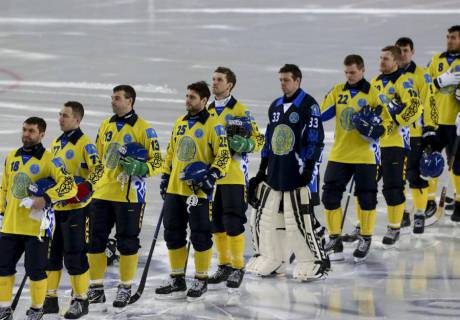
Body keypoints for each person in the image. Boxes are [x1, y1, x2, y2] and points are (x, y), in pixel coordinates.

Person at [247, 64, 329, 281]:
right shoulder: (275, 106)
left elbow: (315, 139)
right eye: (280, 80)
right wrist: (262, 170)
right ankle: (275, 258)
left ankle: (314, 260)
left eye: (286, 80)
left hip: (298, 172)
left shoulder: (309, 106)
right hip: (276, 171)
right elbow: (269, 140)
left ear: (298, 80)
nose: (283, 84)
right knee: (271, 217)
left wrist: (309, 169)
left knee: (298, 219)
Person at [87, 85, 163, 309]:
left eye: (117, 98)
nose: (113, 101)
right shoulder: (105, 125)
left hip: (129, 196)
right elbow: (98, 158)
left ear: (130, 101)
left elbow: (158, 161)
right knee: (95, 241)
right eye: (112, 98)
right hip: (102, 193)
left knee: (127, 242)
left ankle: (125, 286)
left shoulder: (145, 129)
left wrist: (141, 168)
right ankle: (96, 287)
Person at [155, 81, 231, 300]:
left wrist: (213, 175)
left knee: (200, 234)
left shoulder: (214, 125)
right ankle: (177, 278)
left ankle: (201, 278)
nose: (187, 101)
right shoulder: (180, 122)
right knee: (173, 233)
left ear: (204, 100)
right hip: (175, 190)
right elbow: (171, 151)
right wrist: (165, 176)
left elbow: (223, 155)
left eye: (192, 97)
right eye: (187, 96)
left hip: (198, 191)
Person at [0, 117, 77, 320]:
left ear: (42, 134)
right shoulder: (11, 157)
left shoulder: (51, 160)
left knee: (36, 271)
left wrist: (47, 198)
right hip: (10, 225)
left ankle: (36, 309)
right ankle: (4, 308)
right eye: (24, 129)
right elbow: (4, 188)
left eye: (31, 131)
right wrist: (1, 213)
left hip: (37, 227)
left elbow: (70, 186)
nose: (26, 134)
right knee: (3, 268)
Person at [321, 54, 389, 263]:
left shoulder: (374, 94)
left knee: (366, 197)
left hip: (365, 155)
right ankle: (335, 239)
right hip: (340, 153)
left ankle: (366, 237)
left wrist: (377, 128)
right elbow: (322, 114)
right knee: (329, 196)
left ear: (362, 70)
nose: (349, 76)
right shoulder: (337, 90)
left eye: (353, 72)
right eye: (346, 73)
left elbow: (387, 123)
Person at [42, 102, 104, 319]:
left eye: (65, 116)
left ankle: (81, 300)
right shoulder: (56, 143)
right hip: (56, 207)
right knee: (52, 254)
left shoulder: (86, 144)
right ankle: (50, 299)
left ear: (77, 120)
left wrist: (86, 187)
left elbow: (99, 170)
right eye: (59, 114)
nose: (60, 119)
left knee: (75, 255)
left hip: (78, 209)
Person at [206, 67, 264, 290]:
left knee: (232, 220)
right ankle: (224, 265)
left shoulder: (240, 110)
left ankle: (238, 266)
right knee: (215, 223)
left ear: (229, 85)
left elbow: (259, 140)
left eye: (219, 80)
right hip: (212, 177)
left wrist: (247, 144)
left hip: (234, 175)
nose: (214, 83)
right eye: (213, 79)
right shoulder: (207, 110)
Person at [371, 45, 422, 247]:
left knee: (393, 188)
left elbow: (416, 106)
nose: (381, 62)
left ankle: (394, 227)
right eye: (380, 58)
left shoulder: (404, 82)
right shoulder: (374, 82)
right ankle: (361, 227)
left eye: (385, 58)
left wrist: (399, 120)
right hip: (373, 144)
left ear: (396, 61)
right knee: (366, 186)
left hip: (395, 143)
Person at [395, 37, 438, 233]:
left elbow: (429, 103)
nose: (402, 54)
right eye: (399, 50)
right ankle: (402, 213)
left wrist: (429, 129)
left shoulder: (422, 76)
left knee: (415, 175)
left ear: (412, 52)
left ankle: (419, 214)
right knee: (397, 176)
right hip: (394, 135)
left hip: (414, 134)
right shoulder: (390, 76)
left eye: (405, 50)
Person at [426, 25, 460, 222]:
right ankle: (430, 201)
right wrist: (438, 82)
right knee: (430, 161)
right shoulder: (437, 60)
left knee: (458, 165)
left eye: (453, 37)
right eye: (448, 37)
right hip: (436, 121)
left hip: (456, 124)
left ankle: (458, 201)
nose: (449, 40)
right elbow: (423, 87)